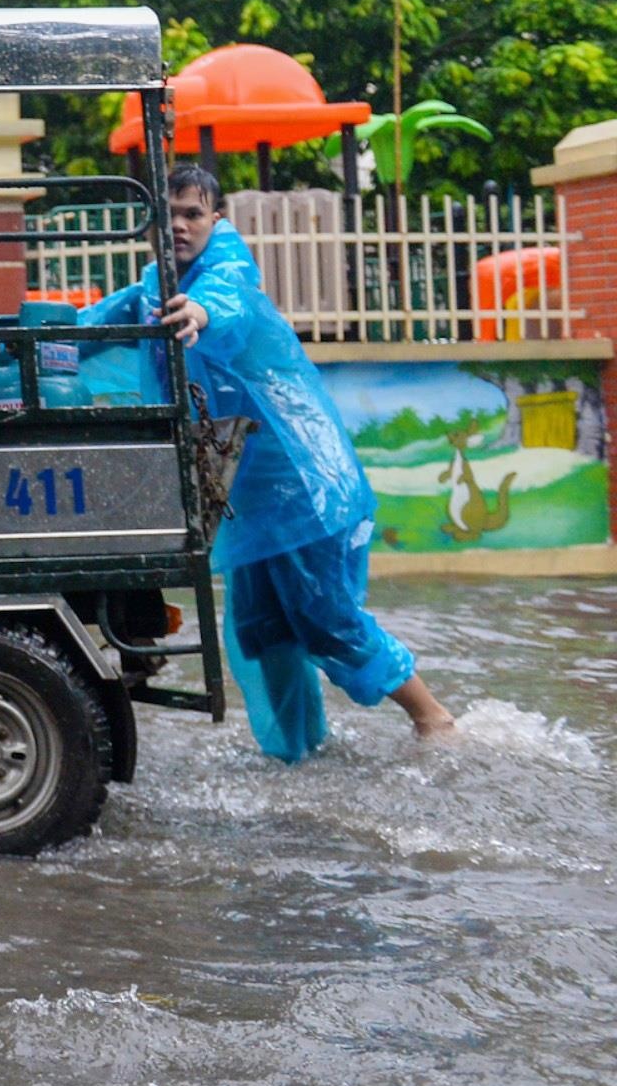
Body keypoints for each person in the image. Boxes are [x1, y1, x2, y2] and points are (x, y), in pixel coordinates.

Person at [83, 165, 455, 761]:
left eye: (193, 214)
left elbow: (222, 303)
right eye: (169, 213)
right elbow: (86, 325)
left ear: (216, 220)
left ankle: (432, 718)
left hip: (300, 483)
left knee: (324, 617)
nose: (179, 225)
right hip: (245, 496)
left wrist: (199, 316)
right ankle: (298, 755)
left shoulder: (226, 272)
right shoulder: (154, 287)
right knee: (259, 629)